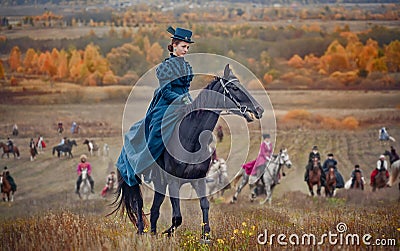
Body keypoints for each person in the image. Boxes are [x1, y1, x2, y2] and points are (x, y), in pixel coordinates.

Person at [116, 26, 195, 187]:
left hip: (184, 102)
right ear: (174, 46)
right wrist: (182, 100)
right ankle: (146, 167)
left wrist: (191, 101)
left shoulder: (187, 67)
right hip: (166, 105)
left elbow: (185, 89)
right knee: (157, 134)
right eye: (183, 46)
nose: (186, 50)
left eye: (187, 47)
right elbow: (166, 92)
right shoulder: (165, 67)